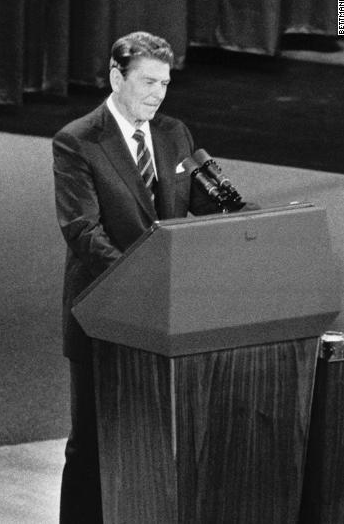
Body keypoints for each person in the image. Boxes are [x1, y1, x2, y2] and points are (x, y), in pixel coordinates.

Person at [52, 32, 219, 522]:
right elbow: (82, 231)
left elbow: (208, 199)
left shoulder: (176, 134)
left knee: (158, 437)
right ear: (115, 77)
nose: (158, 93)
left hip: (168, 316)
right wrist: (142, 277)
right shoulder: (77, 141)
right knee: (93, 442)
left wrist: (246, 220)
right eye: (148, 81)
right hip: (105, 312)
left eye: (165, 83)